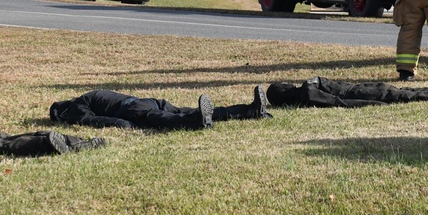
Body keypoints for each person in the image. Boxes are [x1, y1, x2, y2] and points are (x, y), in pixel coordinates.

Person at [50, 86, 271, 130]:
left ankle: (196, 123)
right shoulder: (90, 95)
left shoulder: (78, 107)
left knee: (168, 118)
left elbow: (95, 121)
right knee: (186, 110)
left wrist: (127, 125)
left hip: (133, 109)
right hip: (146, 100)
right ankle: (249, 110)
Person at [266, 75, 428, 108]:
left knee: (426, 92)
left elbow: (340, 102)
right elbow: (340, 100)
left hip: (371, 93)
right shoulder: (311, 87)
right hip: (370, 91)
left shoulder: (307, 94)